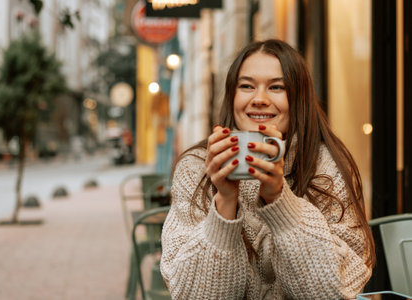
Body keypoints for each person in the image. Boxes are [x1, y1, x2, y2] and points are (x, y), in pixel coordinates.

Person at [160, 39, 375, 299]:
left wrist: (279, 199)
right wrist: (225, 202)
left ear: (298, 98)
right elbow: (191, 295)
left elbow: (326, 293)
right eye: (247, 86)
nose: (259, 99)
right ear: (232, 96)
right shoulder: (196, 168)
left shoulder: (326, 165)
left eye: (276, 87)